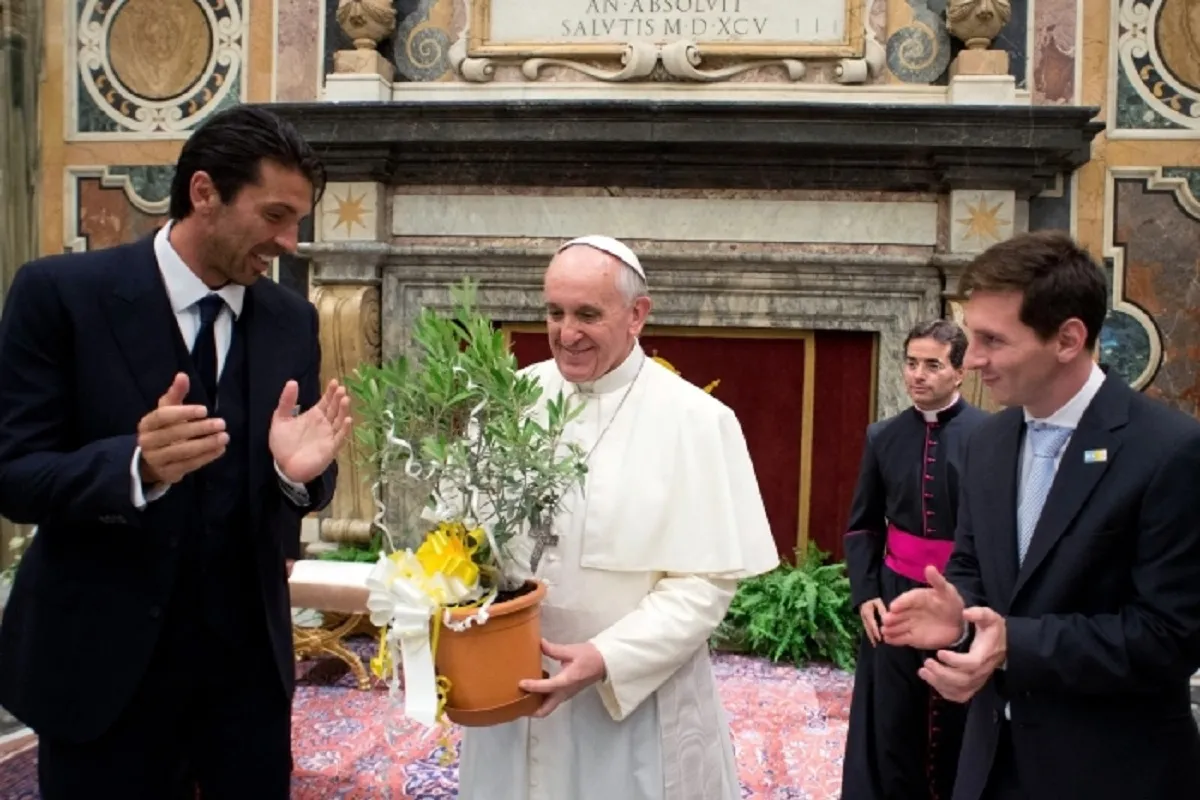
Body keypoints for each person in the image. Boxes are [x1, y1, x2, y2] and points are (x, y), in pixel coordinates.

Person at [0, 105, 351, 799]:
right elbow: (13, 475)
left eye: (298, 221)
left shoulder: (290, 320)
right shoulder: (60, 296)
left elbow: (298, 485)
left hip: (245, 691)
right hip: (102, 679)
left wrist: (293, 478)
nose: (288, 241)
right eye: (274, 215)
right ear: (203, 194)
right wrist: (134, 466)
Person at [456, 235, 780, 800]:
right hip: (512, 684)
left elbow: (705, 584)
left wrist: (608, 658)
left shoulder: (695, 420)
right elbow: (465, 538)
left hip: (630, 702)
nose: (566, 332)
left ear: (637, 315)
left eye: (587, 314)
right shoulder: (511, 398)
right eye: (554, 312)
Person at [880, 230, 1200, 800]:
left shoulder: (1169, 450)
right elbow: (978, 566)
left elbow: (1170, 637)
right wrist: (959, 619)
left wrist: (1013, 644)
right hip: (988, 767)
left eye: (992, 340)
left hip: (1112, 773)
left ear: (1068, 338)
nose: (972, 360)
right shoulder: (989, 441)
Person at [841, 319, 988, 800]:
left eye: (933, 364)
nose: (917, 375)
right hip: (896, 598)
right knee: (893, 722)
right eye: (911, 363)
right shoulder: (883, 436)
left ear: (960, 371)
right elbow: (864, 525)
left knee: (958, 721)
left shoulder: (991, 438)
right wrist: (866, 594)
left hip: (964, 599)